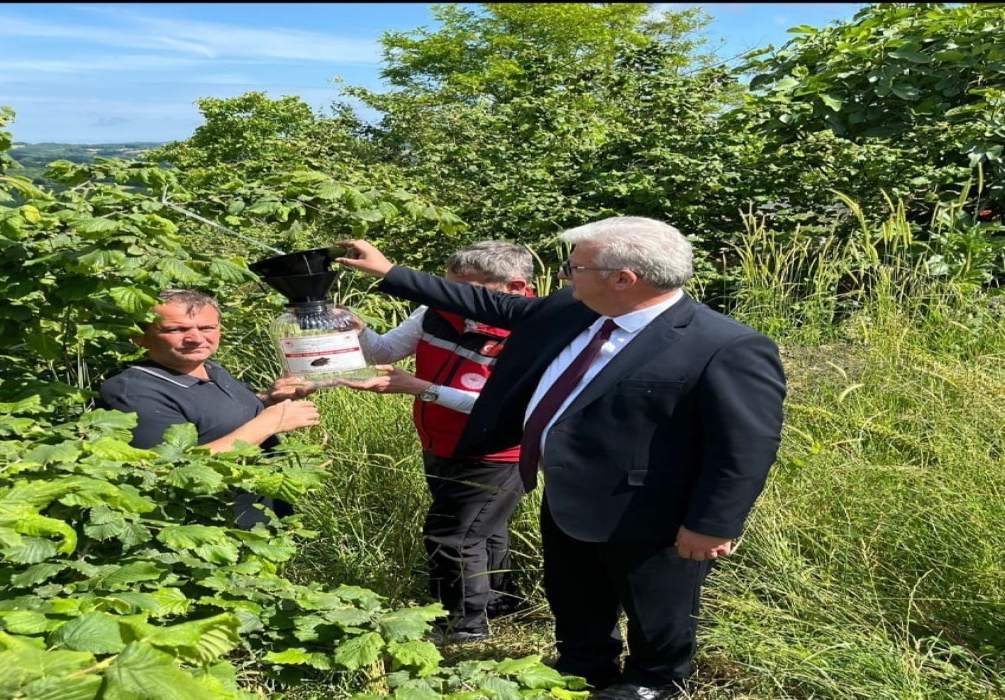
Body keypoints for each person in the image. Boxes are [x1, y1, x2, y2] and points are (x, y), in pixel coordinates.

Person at [336, 217, 786, 700]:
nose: (565, 276)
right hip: (570, 493)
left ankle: (653, 682)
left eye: (575, 266)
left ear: (623, 278)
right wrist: (388, 272)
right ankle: (583, 668)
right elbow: (485, 301)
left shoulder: (724, 345)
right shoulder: (573, 312)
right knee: (574, 596)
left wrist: (714, 523)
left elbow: (745, 445)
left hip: (654, 511)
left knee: (657, 607)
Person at [340, 241, 534, 644]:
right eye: (449, 287)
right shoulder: (433, 311)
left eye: (467, 290)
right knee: (486, 529)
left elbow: (507, 411)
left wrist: (421, 388)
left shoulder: (536, 332)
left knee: (452, 535)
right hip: (441, 442)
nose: (453, 298)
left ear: (514, 287)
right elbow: (385, 351)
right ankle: (500, 603)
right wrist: (358, 331)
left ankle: (461, 626)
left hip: (497, 451)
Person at [97, 289, 320, 526]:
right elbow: (171, 470)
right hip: (213, 530)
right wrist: (269, 422)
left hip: (263, 522)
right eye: (176, 329)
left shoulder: (209, 368)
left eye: (206, 328)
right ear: (138, 336)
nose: (195, 338)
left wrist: (268, 399)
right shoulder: (133, 392)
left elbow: (213, 417)